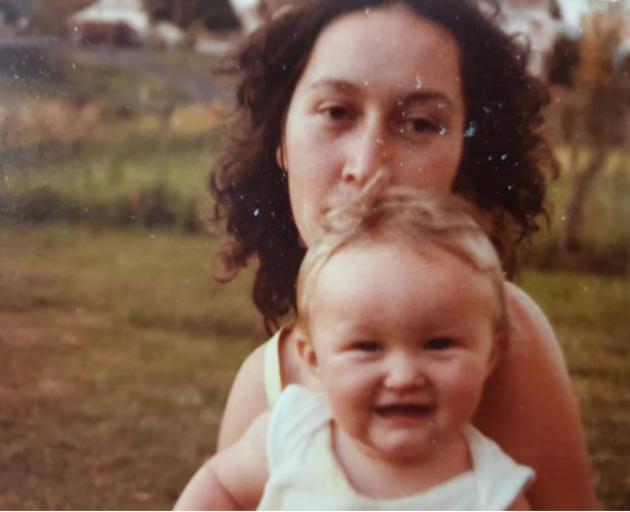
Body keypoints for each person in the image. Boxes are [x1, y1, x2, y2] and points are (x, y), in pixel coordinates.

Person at [210, 0, 597, 509]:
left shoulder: (509, 342)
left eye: (418, 124)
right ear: (280, 140)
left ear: (466, 152)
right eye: (336, 112)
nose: (369, 166)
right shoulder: (263, 386)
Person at [176, 181, 534, 510]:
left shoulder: (494, 495)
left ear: (491, 354)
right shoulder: (295, 433)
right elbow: (220, 484)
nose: (404, 376)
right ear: (314, 358)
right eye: (367, 347)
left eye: (438, 345)